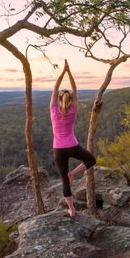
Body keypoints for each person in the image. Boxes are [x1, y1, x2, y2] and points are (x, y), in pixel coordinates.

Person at [50, 59, 96, 217]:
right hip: (72, 146)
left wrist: (62, 72)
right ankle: (74, 173)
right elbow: (75, 88)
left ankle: (71, 209)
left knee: (64, 181)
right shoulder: (73, 110)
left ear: (58, 99)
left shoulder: (53, 110)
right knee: (91, 160)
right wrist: (69, 72)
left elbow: (55, 88)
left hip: (58, 150)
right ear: (69, 100)